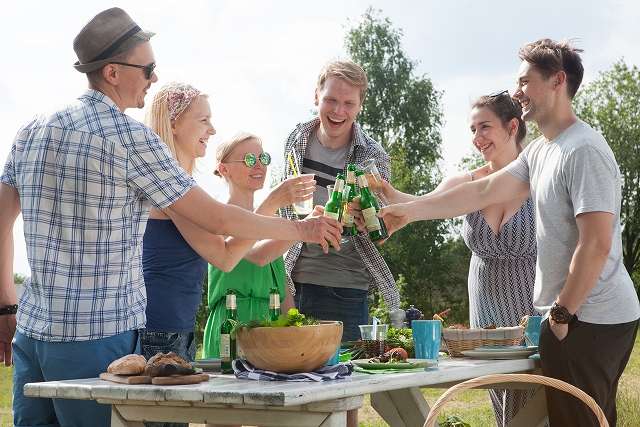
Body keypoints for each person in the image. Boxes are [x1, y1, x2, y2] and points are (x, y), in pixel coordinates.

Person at [0, 8, 340, 427]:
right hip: (97, 335)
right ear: (111, 72)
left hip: (31, 333)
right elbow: (216, 218)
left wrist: (5, 309)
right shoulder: (128, 137)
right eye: (147, 68)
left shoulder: (31, 130)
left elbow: (1, 225)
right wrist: (301, 227)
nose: (153, 78)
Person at [379, 39, 640, 427]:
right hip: (570, 317)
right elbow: (481, 191)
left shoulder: (584, 149)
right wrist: (409, 212)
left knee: (581, 421)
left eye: (524, 81)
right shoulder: (541, 151)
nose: (516, 92)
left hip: (594, 318)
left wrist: (561, 315)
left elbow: (597, 243)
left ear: (557, 80)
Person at [380, 91, 537, 426]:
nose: (477, 138)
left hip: (533, 304)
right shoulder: (466, 182)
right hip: (487, 303)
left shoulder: (541, 175)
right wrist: (385, 195)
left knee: (538, 397)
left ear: (512, 126)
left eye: (485, 127)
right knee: (500, 394)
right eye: (472, 130)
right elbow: (423, 204)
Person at [281, 60, 401, 342]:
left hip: (344, 287)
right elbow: (286, 209)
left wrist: (367, 221)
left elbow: (383, 229)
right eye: (331, 100)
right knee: (292, 379)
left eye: (348, 103)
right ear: (316, 97)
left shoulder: (373, 156)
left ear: (360, 106)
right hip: (290, 280)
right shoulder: (296, 140)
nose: (338, 111)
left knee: (344, 382)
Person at [203, 132, 310, 360]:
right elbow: (260, 255)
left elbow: (280, 286)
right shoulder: (217, 216)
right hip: (231, 325)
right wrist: (305, 228)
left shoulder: (269, 222)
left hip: (269, 327)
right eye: (249, 160)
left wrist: (294, 328)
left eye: (264, 158)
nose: (259, 165)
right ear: (224, 170)